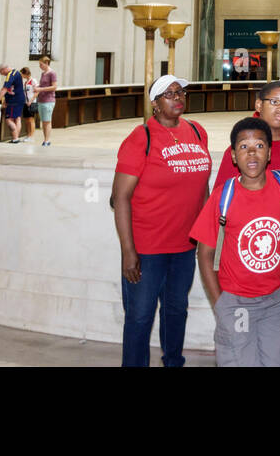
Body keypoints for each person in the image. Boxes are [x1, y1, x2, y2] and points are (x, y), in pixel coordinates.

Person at [211, 81, 280, 367]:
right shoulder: (235, 152)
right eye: (275, 101)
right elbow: (220, 213)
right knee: (241, 350)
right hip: (244, 276)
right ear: (259, 105)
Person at [191, 117, 280, 367]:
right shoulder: (223, 196)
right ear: (234, 156)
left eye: (259, 145)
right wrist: (220, 303)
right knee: (239, 360)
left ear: (269, 152)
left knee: (275, 360)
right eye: (243, 147)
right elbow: (204, 254)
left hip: (277, 300)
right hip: (237, 303)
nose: (252, 153)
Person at [110, 75, 211, 367]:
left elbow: (201, 187)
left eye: (180, 92)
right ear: (155, 103)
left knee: (176, 310)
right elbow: (121, 198)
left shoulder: (197, 131)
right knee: (140, 316)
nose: (177, 97)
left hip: (184, 246)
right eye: (168, 94)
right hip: (146, 248)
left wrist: (205, 235)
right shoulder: (141, 138)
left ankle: (173, 362)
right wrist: (129, 252)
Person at [0, 64, 26, 142]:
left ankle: (15, 139)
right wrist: (5, 100)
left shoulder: (10, 75)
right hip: (19, 99)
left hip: (14, 100)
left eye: (1, 72)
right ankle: (16, 138)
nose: (1, 74)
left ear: (4, 69)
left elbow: (5, 88)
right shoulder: (17, 72)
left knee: (9, 119)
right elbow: (11, 88)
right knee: (17, 119)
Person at [31, 55, 57, 146]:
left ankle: (47, 140)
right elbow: (42, 86)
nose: (40, 66)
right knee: (43, 121)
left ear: (46, 63)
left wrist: (40, 89)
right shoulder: (43, 74)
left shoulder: (52, 73)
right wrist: (36, 87)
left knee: (47, 120)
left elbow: (54, 87)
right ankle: (45, 139)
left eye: (41, 64)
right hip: (41, 99)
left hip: (48, 100)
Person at [20, 67, 38, 141]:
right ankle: (28, 135)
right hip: (25, 103)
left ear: (25, 73)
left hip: (31, 103)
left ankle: (31, 136)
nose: (21, 76)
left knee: (31, 120)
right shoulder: (25, 82)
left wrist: (31, 101)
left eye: (22, 74)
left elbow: (37, 92)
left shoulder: (33, 81)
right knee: (26, 120)